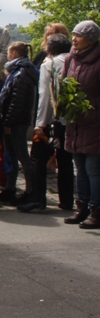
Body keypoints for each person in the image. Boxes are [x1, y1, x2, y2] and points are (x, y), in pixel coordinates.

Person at [26, 33, 74, 212]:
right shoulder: (73, 61)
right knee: (66, 161)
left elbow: (45, 96)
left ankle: (38, 199)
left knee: (38, 159)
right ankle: (67, 200)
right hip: (69, 118)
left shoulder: (49, 64)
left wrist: (40, 124)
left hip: (52, 119)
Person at [62, 20, 100, 228]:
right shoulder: (71, 59)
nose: (74, 39)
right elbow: (64, 84)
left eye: (79, 36)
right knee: (80, 169)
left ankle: (96, 209)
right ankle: (82, 206)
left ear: (91, 39)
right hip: (75, 122)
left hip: (95, 123)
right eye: (73, 35)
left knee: (94, 169)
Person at [0, 42, 39, 205]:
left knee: (21, 156)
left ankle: (30, 190)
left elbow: (16, 101)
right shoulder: (19, 71)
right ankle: (10, 189)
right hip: (15, 120)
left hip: (17, 122)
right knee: (10, 155)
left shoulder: (21, 73)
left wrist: (8, 122)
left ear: (14, 54)